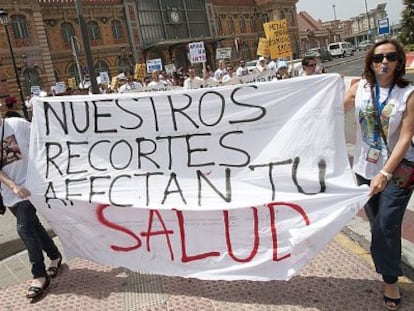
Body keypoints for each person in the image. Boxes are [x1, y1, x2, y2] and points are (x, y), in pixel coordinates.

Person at [344, 39, 414, 311]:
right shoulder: (359, 88)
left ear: (399, 62)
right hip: (364, 170)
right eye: (378, 58)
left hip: (398, 170)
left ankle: (390, 281)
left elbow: (406, 137)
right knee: (378, 226)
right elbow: (334, 108)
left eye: (391, 57)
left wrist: (385, 171)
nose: (384, 62)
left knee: (386, 224)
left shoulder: (407, 94)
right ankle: (387, 262)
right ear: (370, 62)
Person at [0, 116, 62, 299]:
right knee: (34, 226)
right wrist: (12, 186)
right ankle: (55, 256)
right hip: (10, 193)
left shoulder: (17, 124)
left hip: (30, 187)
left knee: (24, 229)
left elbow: (43, 137)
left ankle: (39, 275)